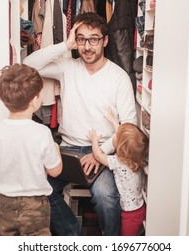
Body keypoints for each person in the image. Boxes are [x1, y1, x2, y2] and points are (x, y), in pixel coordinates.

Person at [23, 12, 137, 235]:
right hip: (68, 150)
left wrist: (99, 153)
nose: (87, 46)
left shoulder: (119, 77)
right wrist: (66, 45)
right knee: (40, 190)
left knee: (107, 199)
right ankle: (72, 234)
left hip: (104, 150)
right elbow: (29, 64)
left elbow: (128, 127)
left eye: (94, 39)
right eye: (82, 39)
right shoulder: (68, 67)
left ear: (105, 40)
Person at [0, 64, 63, 236]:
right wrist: (56, 149)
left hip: (5, 203)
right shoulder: (42, 133)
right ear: (35, 100)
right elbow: (55, 171)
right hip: (35, 206)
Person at [87, 108, 149, 236]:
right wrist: (113, 121)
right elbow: (123, 137)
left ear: (120, 148)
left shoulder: (118, 162)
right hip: (140, 207)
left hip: (129, 215)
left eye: (117, 139)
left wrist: (94, 140)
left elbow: (98, 156)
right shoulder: (136, 158)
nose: (115, 137)